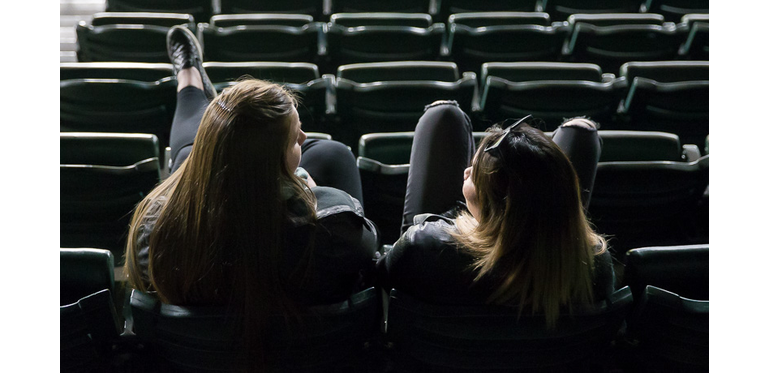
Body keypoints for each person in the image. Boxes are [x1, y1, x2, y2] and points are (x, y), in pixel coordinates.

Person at [123, 25, 378, 366]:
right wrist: (309, 192)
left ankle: (191, 81)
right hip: (307, 358)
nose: (303, 136)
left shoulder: (155, 226)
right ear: (269, 163)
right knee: (334, 153)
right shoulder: (335, 234)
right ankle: (199, 92)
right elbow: (363, 254)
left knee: (187, 154)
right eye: (294, 138)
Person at [377, 101, 614, 328]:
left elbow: (379, 283)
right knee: (581, 130)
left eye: (475, 174)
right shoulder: (594, 265)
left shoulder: (423, 248)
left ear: (497, 205)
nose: (467, 171)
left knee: (443, 115)